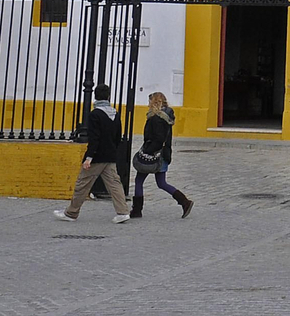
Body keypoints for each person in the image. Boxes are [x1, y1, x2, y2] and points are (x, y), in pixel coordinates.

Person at [54, 83, 131, 223]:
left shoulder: (95, 114)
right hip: (110, 155)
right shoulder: (115, 113)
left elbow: (94, 138)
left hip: (97, 156)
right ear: (108, 96)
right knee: (115, 184)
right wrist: (112, 149)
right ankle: (123, 212)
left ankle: (71, 213)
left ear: (95, 96)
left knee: (82, 184)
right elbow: (118, 135)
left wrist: (89, 157)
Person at [131, 92, 194, 219]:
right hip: (164, 154)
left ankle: (137, 210)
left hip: (154, 154)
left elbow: (157, 139)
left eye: (149, 101)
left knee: (139, 181)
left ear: (154, 102)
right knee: (161, 183)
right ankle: (184, 202)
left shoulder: (156, 119)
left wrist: (147, 151)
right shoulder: (166, 117)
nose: (148, 104)